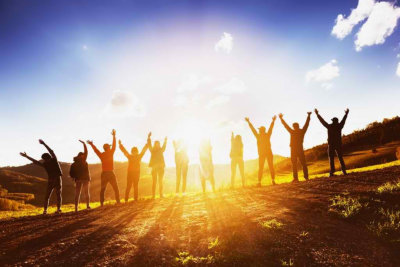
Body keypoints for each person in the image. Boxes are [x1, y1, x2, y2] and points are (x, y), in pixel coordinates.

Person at [20, 139, 63, 214]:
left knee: (49, 195)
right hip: (57, 179)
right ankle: (57, 209)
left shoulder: (48, 163)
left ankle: (46, 210)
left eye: (44, 159)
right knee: (57, 194)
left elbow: (36, 161)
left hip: (52, 179)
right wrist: (44, 144)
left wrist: (26, 156)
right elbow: (51, 152)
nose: (45, 160)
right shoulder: (53, 160)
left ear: (45, 159)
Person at [87, 129, 120, 206]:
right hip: (110, 173)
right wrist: (114, 136)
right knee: (116, 188)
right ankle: (118, 202)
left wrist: (91, 144)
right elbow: (114, 145)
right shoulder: (111, 153)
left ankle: (101, 203)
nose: (110, 147)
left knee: (103, 189)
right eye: (109, 146)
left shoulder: (102, 155)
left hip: (104, 173)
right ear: (108, 148)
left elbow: (96, 150)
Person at [315, 108, 349, 177]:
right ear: (337, 121)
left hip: (331, 144)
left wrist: (317, 114)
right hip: (338, 144)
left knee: (331, 158)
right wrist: (346, 114)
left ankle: (332, 172)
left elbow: (322, 121)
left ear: (333, 121)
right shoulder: (340, 126)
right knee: (340, 157)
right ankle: (344, 171)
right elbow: (343, 120)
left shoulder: (329, 126)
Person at [279, 112, 311, 182]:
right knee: (303, 163)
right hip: (300, 148)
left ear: (293, 126)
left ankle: (296, 178)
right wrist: (308, 116)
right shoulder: (302, 131)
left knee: (294, 164)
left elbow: (286, 126)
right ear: (298, 126)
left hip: (293, 149)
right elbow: (306, 124)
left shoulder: (292, 131)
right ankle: (306, 177)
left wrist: (281, 118)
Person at [245, 116, 276, 186]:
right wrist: (273, 121)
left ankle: (259, 182)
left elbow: (253, 130)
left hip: (262, 154)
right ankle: (273, 181)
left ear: (260, 130)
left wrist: (249, 122)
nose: (258, 130)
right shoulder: (267, 135)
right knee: (271, 166)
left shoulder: (258, 136)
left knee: (261, 168)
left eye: (259, 130)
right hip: (269, 152)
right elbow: (271, 128)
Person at [119, 136, 148, 202]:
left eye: (135, 151)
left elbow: (144, 151)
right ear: (132, 152)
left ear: (137, 152)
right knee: (128, 186)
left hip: (136, 173)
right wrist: (120, 145)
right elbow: (124, 151)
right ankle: (126, 199)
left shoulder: (139, 156)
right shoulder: (130, 156)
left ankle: (135, 199)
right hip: (130, 173)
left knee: (135, 186)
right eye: (133, 151)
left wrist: (147, 144)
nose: (134, 153)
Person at [70, 140, 91, 212]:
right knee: (86, 192)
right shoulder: (83, 160)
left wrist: (73, 177)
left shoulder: (73, 163)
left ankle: (76, 208)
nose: (84, 156)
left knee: (77, 193)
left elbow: (71, 172)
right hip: (85, 179)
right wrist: (84, 144)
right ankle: (87, 206)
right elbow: (86, 151)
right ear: (81, 156)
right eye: (83, 155)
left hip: (78, 179)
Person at [147, 133, 167, 199]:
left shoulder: (161, 150)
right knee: (154, 181)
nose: (158, 145)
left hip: (161, 167)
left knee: (160, 181)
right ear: (154, 145)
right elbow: (149, 145)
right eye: (156, 144)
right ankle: (153, 195)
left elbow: (164, 146)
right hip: (154, 168)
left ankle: (161, 194)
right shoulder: (152, 150)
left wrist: (165, 141)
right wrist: (149, 137)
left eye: (158, 144)